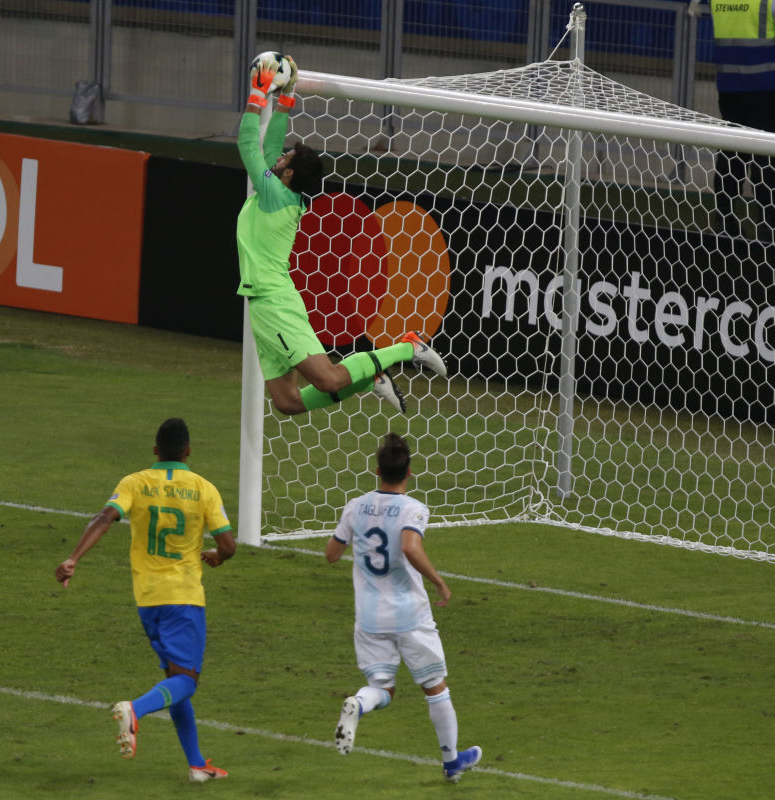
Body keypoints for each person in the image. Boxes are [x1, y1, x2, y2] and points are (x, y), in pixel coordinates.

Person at [237, 54, 448, 416]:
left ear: (286, 176)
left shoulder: (273, 193)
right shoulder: (282, 190)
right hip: (264, 302)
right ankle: (370, 376)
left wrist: (257, 96)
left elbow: (246, 144)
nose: (280, 156)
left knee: (329, 379)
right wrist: (285, 97)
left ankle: (407, 347)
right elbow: (270, 146)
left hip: (274, 302)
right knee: (288, 402)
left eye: (286, 159)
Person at [55, 418, 236, 783]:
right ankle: (134, 711)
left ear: (156, 451)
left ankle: (197, 764)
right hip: (184, 598)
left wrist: (74, 557)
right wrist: (217, 555)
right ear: (188, 452)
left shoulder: (134, 482)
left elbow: (104, 517)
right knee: (187, 681)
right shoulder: (204, 489)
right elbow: (229, 545)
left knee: (175, 679)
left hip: (147, 599)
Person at [324, 433, 482, 783]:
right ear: (408, 471)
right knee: (435, 686)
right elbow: (410, 547)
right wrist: (439, 581)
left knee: (382, 687)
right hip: (409, 613)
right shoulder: (413, 509)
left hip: (368, 615)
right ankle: (451, 761)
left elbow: (331, 554)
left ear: (377, 470)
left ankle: (358, 704)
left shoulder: (355, 506)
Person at [704, 0, 775, 241]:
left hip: (730, 86)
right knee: (767, 158)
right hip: (766, 87)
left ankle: (725, 220)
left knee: (731, 154)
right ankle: (768, 224)